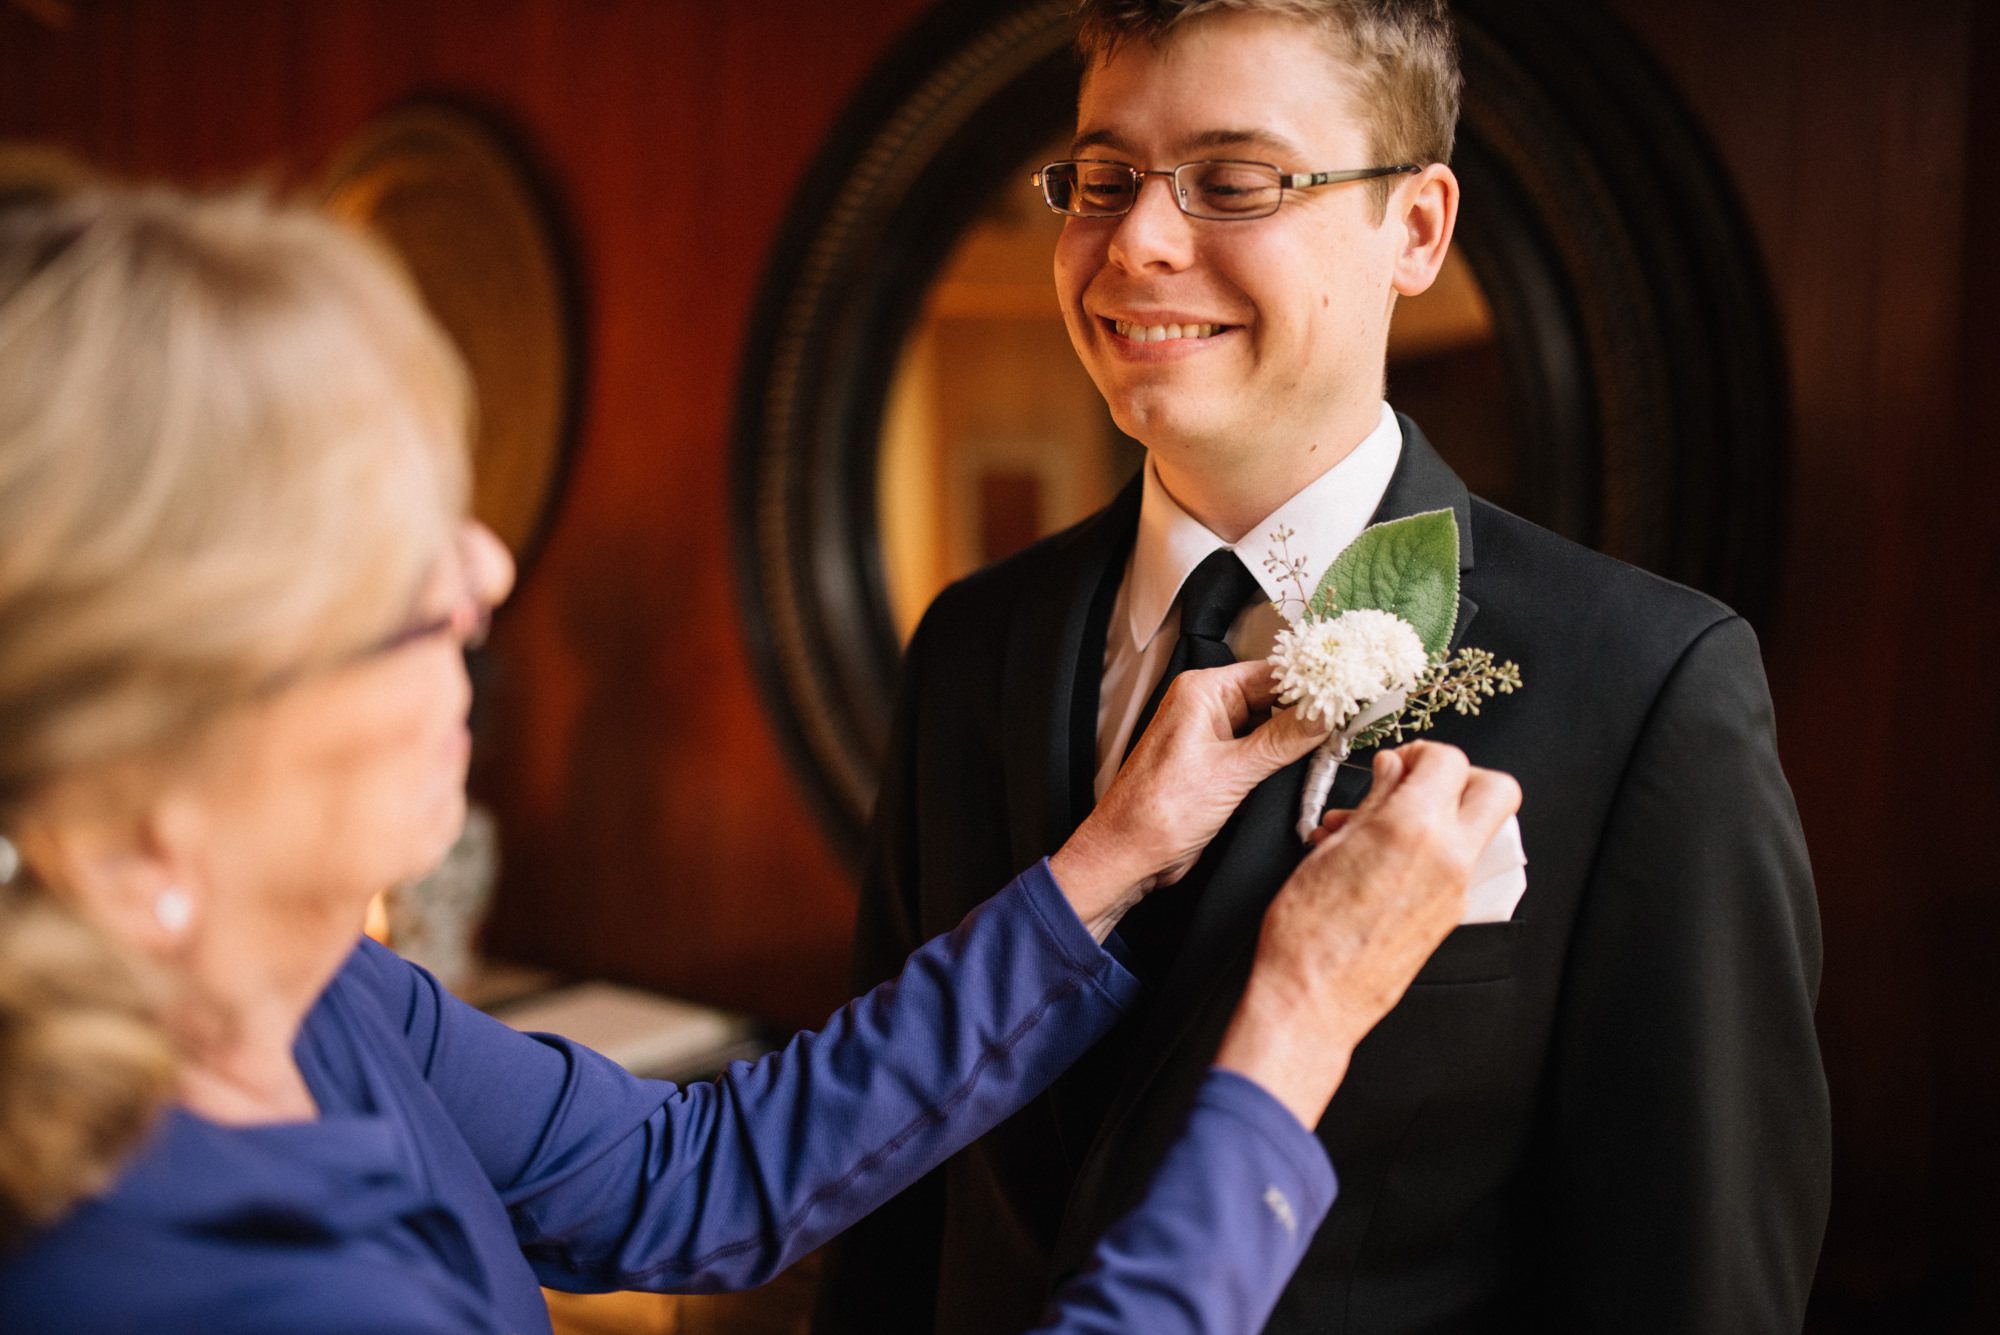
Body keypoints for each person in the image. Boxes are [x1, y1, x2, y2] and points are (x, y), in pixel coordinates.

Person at [0, 185, 1519, 1333]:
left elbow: (686, 1178)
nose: (483, 573)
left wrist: (1106, 860)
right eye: (383, 578)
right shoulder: (189, 1287)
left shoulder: (313, 994)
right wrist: (1295, 1028)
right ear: (140, 820)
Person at [818, 2, 1832, 1331]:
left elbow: (1694, 1288)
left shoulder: (1648, 690)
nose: (1137, 241)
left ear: (1416, 229)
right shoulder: (971, 644)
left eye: (1235, 181)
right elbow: (886, 1212)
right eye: (1105, 178)